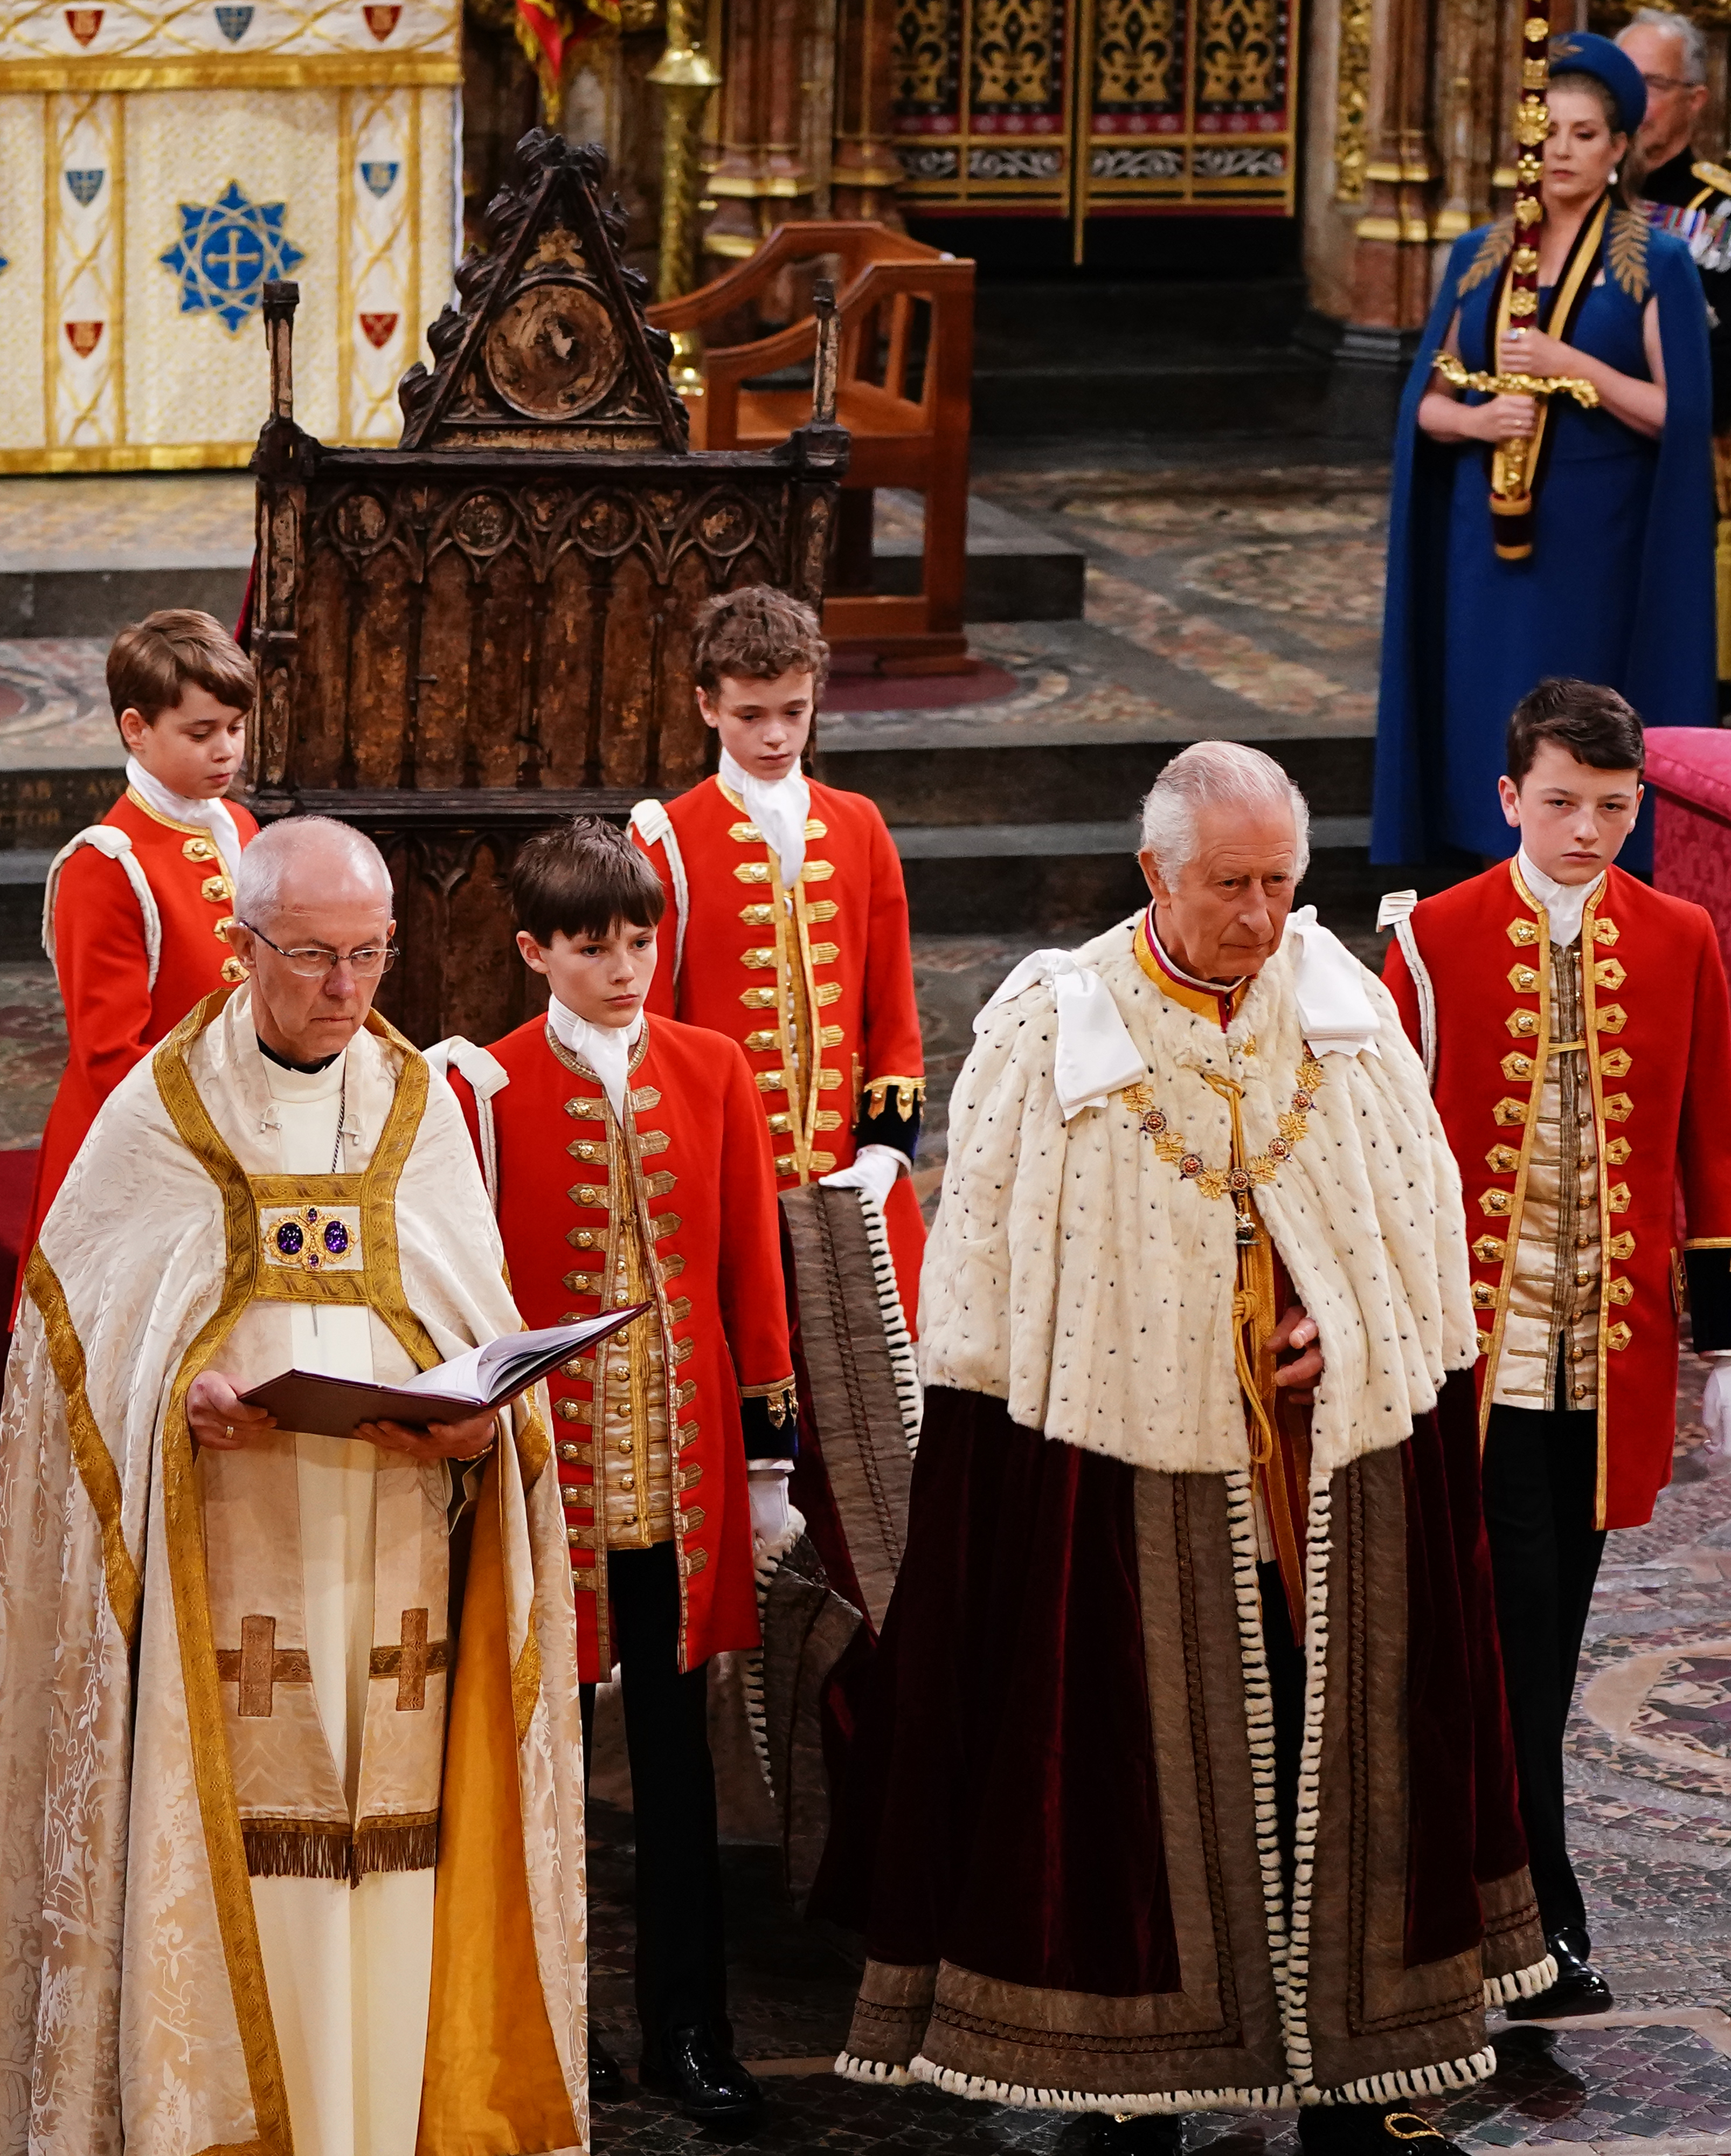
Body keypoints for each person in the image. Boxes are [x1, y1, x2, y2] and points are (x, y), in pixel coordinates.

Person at [821, 741, 1546, 2156]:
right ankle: (1126, 2080)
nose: (1260, 918)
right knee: (1128, 1788)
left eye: (1282, 883)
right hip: (1117, 1484)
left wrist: (1345, 1322)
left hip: (1323, 1486)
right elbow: (993, 1296)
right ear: (1154, 871)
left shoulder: (1341, 1010)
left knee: (1355, 1772)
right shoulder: (1055, 1027)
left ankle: (1369, 2079)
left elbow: (1421, 1250)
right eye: (1230, 885)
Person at [0, 817, 585, 2156]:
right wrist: (176, 1403)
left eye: (372, 956)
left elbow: (479, 1319)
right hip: (223, 1587)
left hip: (401, 1588)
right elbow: (73, 1352)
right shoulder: (160, 1114)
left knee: (398, 1869)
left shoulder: (418, 1110)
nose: (346, 989)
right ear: (240, 945)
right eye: (316, 956)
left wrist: (480, 1441)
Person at [1376, 679, 1731, 2026]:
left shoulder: (1681, 937)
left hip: (1603, 1373)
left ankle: (1509, 1902)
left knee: (1545, 1632)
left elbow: (1715, 1140)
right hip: (1466, 1370)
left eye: (1612, 806)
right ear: (1507, 798)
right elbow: (1387, 1156)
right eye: (1561, 803)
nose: (1589, 829)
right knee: (1510, 1641)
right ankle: (1539, 1913)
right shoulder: (1428, 941)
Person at [427, 817, 797, 2132]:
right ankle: (550, 2027)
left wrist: (765, 1460)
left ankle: (691, 2027)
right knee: (546, 1769)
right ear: (535, 952)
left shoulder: (714, 1067)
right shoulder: (488, 1089)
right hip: (551, 1491)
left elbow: (751, 1267)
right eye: (593, 946)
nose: (625, 965)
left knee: (679, 1773)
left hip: (683, 1487)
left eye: (641, 940)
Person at [1375, 30, 1718, 870]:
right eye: (1544, 134)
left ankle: (1583, 873)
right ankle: (1475, 868)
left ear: (1621, 148)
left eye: (1582, 134)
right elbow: (1427, 407)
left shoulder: (1657, 262)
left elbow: (1681, 415)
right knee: (1483, 705)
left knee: (1574, 711)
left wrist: (1577, 370)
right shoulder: (1479, 254)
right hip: (1481, 536)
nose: (1558, 152)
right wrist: (1478, 421)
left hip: (1593, 536)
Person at [631, 586, 930, 1331]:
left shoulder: (858, 825)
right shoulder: (665, 838)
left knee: (870, 1394)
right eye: (749, 715)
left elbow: (893, 1003)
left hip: (851, 1172)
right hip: (730, 1179)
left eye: (794, 713)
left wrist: (885, 1153)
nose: (775, 737)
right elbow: (653, 1028)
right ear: (708, 707)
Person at [27, 607, 261, 1251]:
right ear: (136, 729)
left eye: (237, 728)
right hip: (142, 1152)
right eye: (201, 732)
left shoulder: (240, 827)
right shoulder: (104, 863)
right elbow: (108, 1057)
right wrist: (220, 1132)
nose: (227, 750)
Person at [1620, 7, 1731, 715]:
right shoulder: (1567, 203)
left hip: (1677, 466)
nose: (1631, 100)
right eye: (1618, 81)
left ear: (1696, 99)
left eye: (1651, 84)